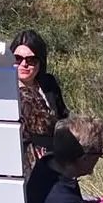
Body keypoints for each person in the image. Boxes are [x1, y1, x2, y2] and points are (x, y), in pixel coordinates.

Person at [10, 29, 69, 179]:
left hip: (55, 159)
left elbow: (63, 116)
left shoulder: (48, 84)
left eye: (31, 60)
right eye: (17, 58)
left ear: (40, 62)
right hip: (22, 165)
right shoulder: (5, 90)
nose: (24, 64)